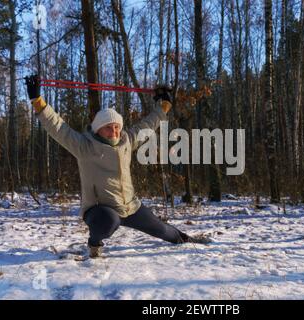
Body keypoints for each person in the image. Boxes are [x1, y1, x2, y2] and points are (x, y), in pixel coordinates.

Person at [25, 75, 210, 258]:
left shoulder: (126, 141)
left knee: (161, 229)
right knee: (109, 221)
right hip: (99, 209)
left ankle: (185, 239)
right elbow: (58, 127)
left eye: (116, 127)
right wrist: (38, 101)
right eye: (108, 127)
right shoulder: (84, 146)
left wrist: (163, 106)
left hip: (130, 206)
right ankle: (94, 244)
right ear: (98, 129)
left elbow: (147, 126)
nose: (113, 131)